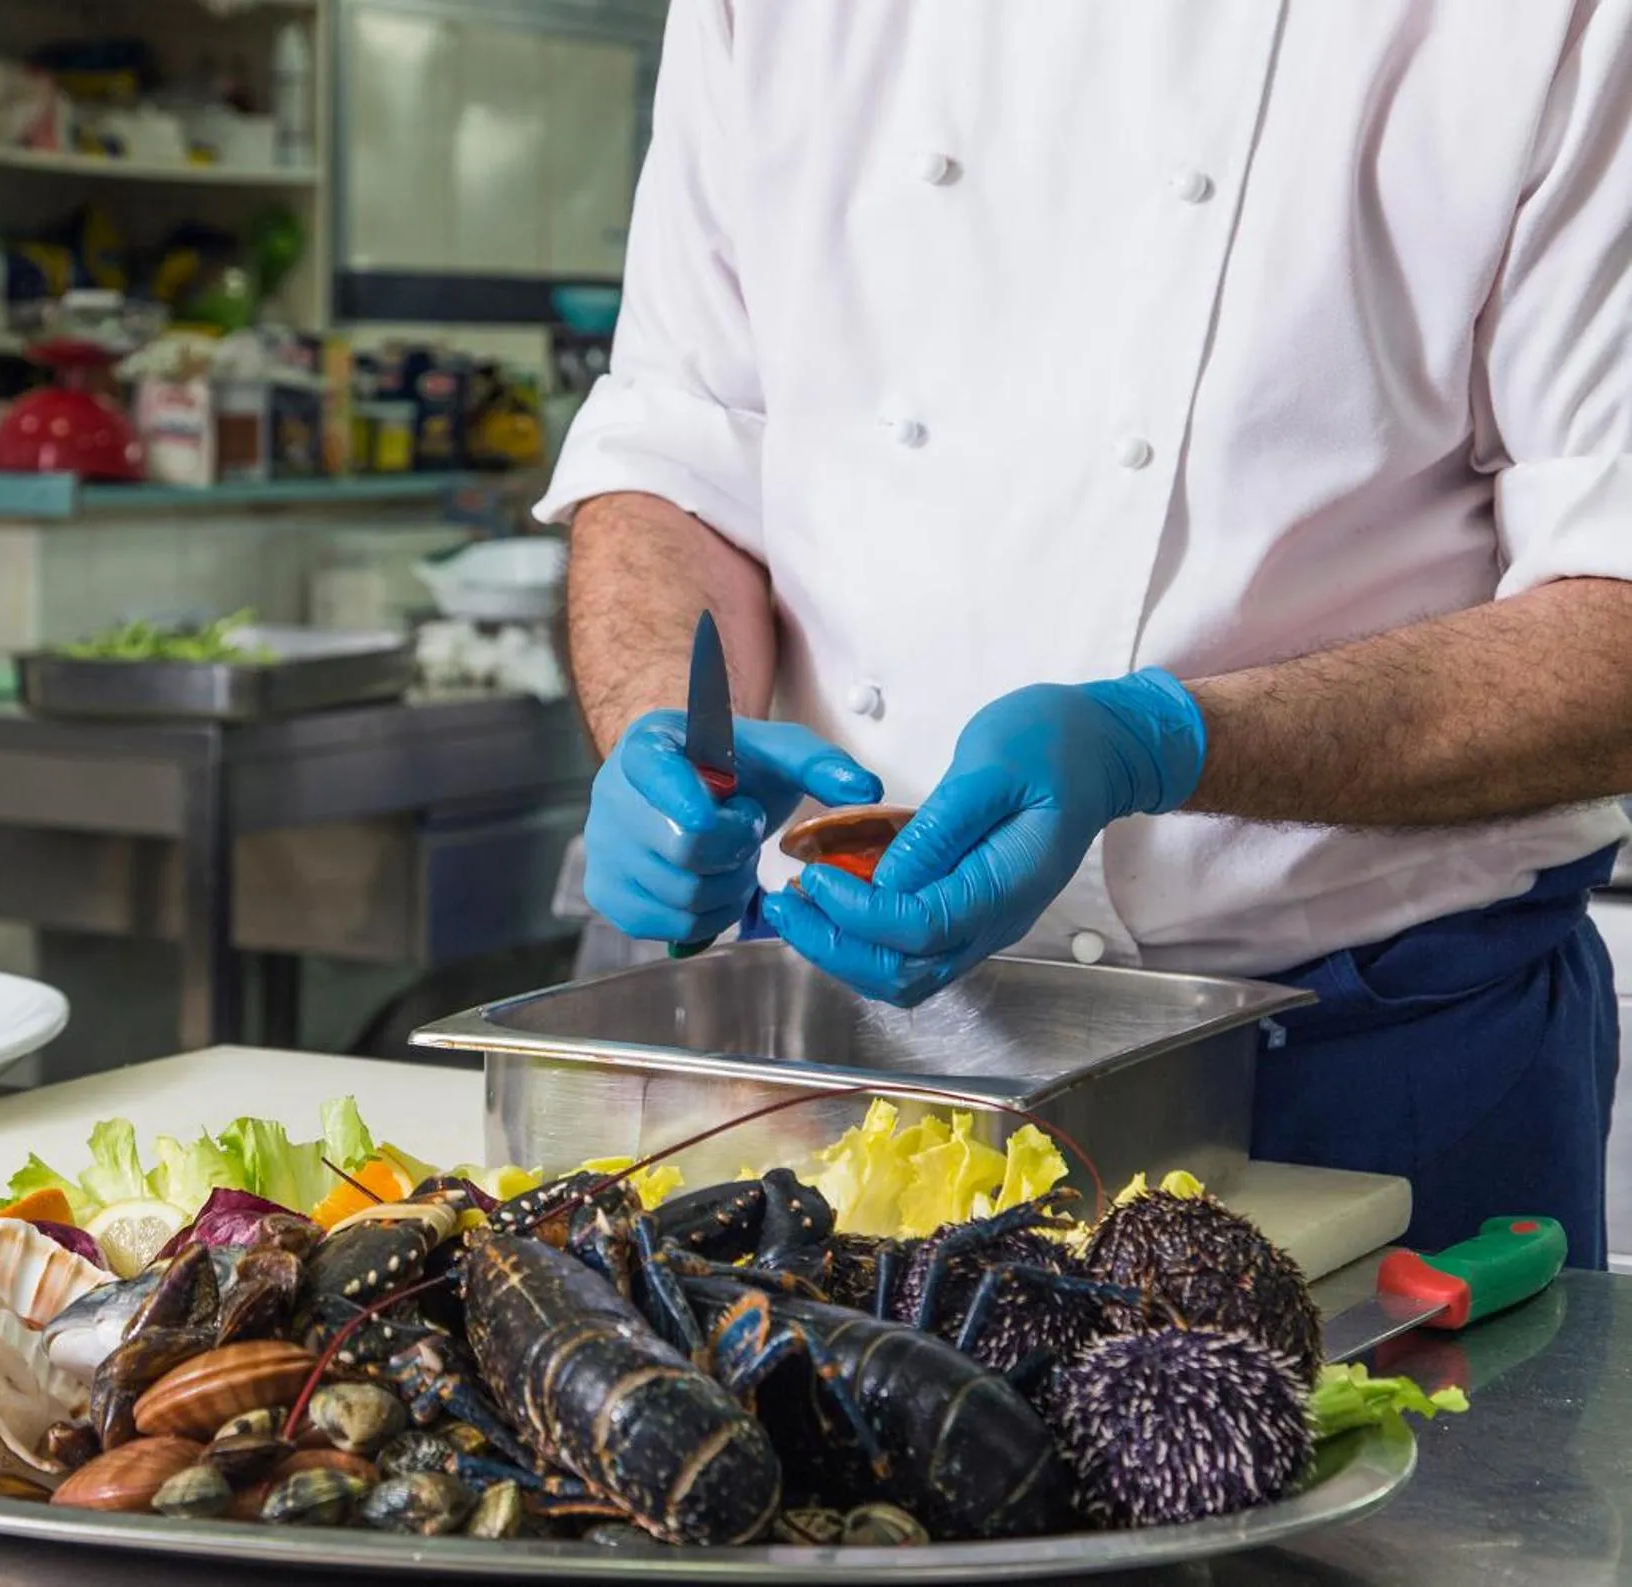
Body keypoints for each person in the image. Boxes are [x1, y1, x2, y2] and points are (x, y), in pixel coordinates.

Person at [544, 1, 1632, 1268]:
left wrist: (1167, 742)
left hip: (1361, 1068)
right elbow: (678, 455)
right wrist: (663, 728)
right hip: (830, 1054)